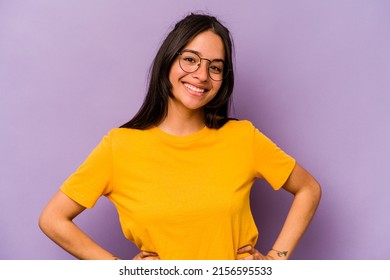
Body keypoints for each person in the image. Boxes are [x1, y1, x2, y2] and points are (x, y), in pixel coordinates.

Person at [39, 13, 321, 260]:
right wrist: (120, 269)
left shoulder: (243, 137)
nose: (201, 75)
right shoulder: (119, 146)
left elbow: (309, 188)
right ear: (168, 62)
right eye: (190, 60)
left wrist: (276, 259)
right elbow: (52, 219)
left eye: (215, 67)